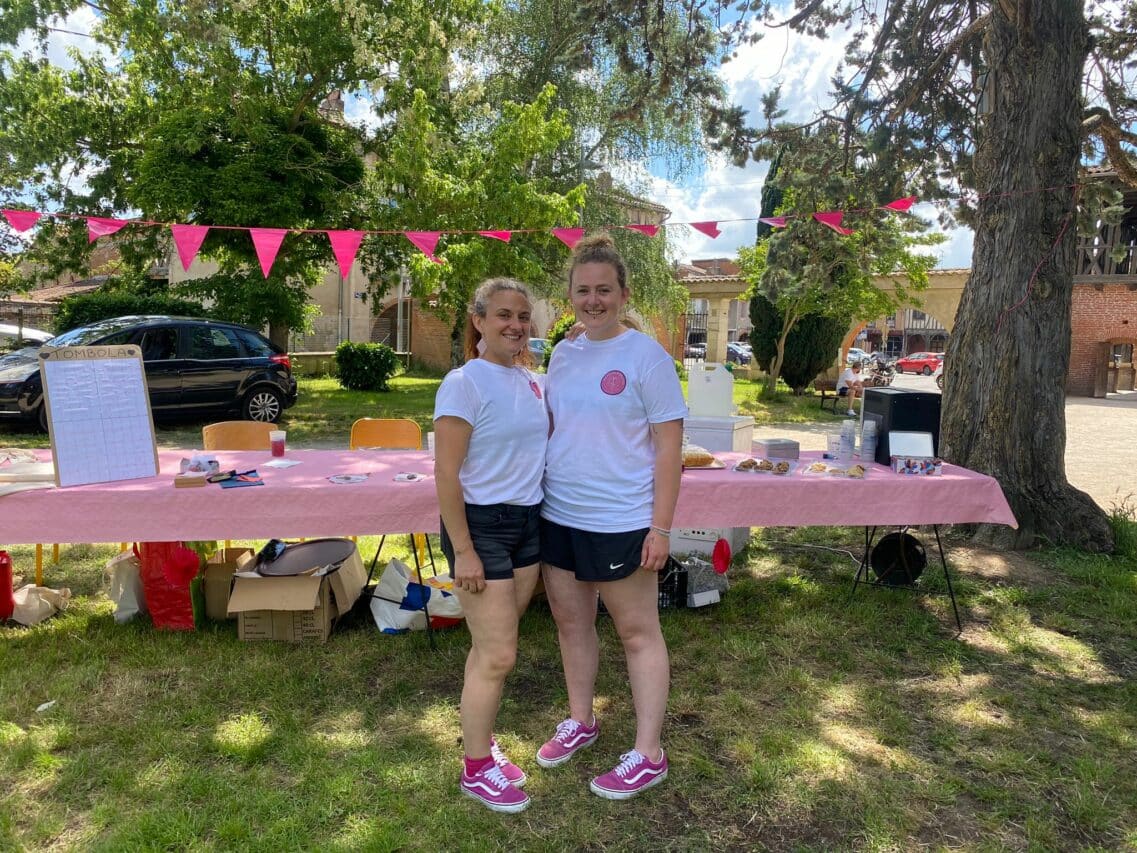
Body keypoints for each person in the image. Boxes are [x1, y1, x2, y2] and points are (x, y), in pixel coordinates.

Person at [538, 234, 687, 800]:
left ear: (623, 294)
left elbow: (669, 448)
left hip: (623, 518)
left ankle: (649, 753)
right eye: (583, 291)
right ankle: (581, 721)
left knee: (637, 632)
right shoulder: (565, 351)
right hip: (560, 513)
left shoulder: (647, 357)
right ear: (570, 296)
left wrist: (661, 526)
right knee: (571, 624)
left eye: (604, 290)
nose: (593, 300)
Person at [433, 278, 549, 814]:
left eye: (523, 316)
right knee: (500, 654)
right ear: (478, 320)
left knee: (488, 650)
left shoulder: (530, 381)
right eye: (504, 315)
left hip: (527, 523)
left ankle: (482, 745)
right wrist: (465, 550)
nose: (515, 325)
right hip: (480, 529)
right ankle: (476, 769)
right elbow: (446, 474)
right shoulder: (463, 382)